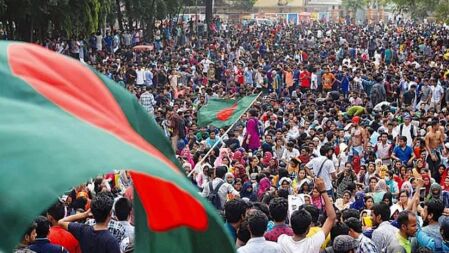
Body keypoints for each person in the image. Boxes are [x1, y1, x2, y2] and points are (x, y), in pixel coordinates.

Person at [277, 178, 336, 252]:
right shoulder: (313, 243)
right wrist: (323, 191)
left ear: (291, 226)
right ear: (308, 229)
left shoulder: (282, 240)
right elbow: (331, 217)